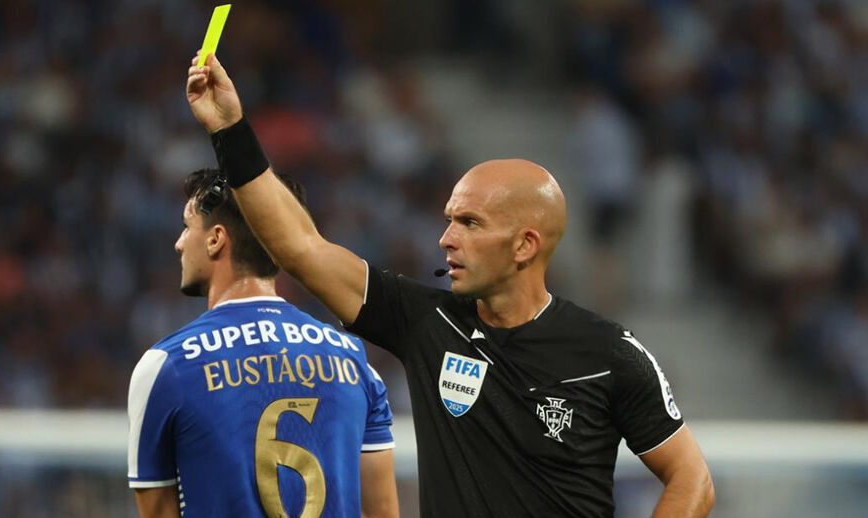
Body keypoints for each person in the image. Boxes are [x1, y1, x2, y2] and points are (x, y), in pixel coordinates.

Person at [186, 53, 715, 517]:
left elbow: (692, 480)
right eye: (449, 220)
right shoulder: (425, 324)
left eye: (469, 223)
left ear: (525, 245)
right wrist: (230, 129)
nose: (445, 239)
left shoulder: (608, 353)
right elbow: (301, 248)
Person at [126, 168, 399, 518]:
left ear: (215, 239)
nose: (179, 243)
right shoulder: (356, 363)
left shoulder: (167, 367)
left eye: (187, 226)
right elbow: (383, 512)